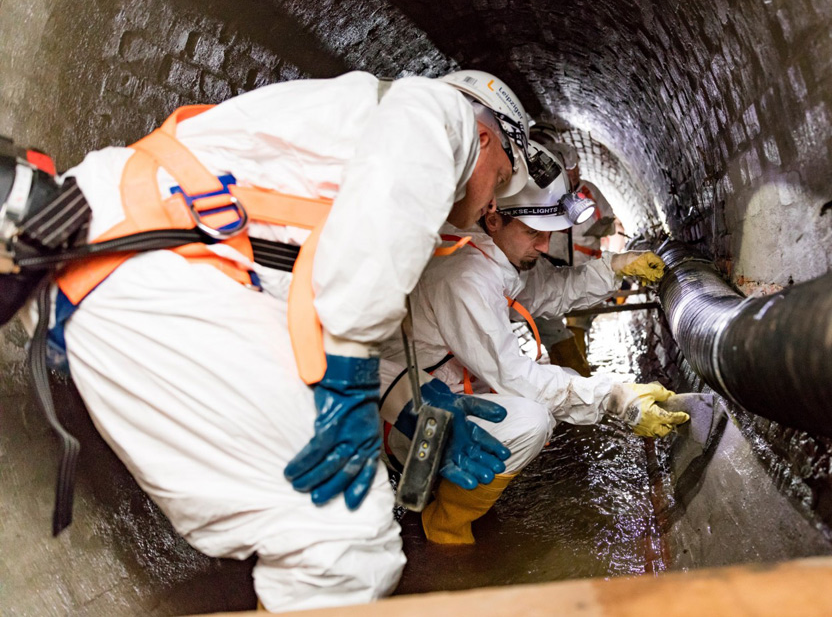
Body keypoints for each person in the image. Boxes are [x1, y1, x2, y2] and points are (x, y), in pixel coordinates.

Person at [34, 69, 534, 611]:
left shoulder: (365, 192)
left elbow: (326, 315)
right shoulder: (443, 114)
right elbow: (353, 315)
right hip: (143, 271)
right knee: (343, 540)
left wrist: (405, 406)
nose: (490, 205)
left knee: (336, 534)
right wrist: (349, 383)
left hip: (137, 270)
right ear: (485, 138)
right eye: (500, 177)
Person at [379, 152, 688, 545]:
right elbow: (514, 376)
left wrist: (614, 266)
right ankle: (444, 524)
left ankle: (459, 486)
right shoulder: (464, 278)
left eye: (549, 233)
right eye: (534, 233)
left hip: (451, 391)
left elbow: (550, 289)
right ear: (493, 218)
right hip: (407, 418)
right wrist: (615, 398)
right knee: (531, 420)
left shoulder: (490, 252)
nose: (545, 246)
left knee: (550, 396)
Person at [528, 125, 619, 376]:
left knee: (578, 320)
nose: (574, 172)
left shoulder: (588, 191)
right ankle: (574, 373)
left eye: (575, 167)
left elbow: (608, 217)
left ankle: (580, 371)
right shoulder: (544, 196)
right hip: (553, 265)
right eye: (569, 169)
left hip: (583, 263)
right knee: (552, 320)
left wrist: (600, 230)